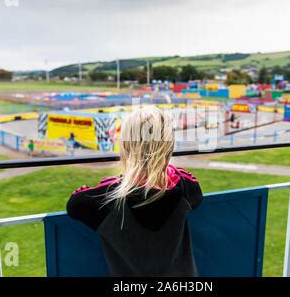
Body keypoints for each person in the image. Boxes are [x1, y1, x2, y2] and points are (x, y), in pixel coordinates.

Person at [66, 105, 203, 276]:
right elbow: (192, 185)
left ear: (126, 147)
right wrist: (159, 170)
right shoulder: (185, 189)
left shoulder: (107, 198)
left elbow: (75, 203)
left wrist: (124, 180)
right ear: (169, 149)